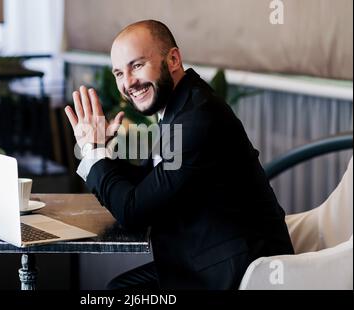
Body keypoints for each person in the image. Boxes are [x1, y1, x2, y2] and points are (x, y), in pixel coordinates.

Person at [64, 20, 294, 289]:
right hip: (200, 260)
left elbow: (133, 211)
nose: (128, 83)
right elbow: (150, 183)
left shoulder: (196, 118)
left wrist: (94, 152)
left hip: (238, 273)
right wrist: (102, 150)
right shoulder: (182, 105)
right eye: (118, 73)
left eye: (136, 65)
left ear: (173, 59)